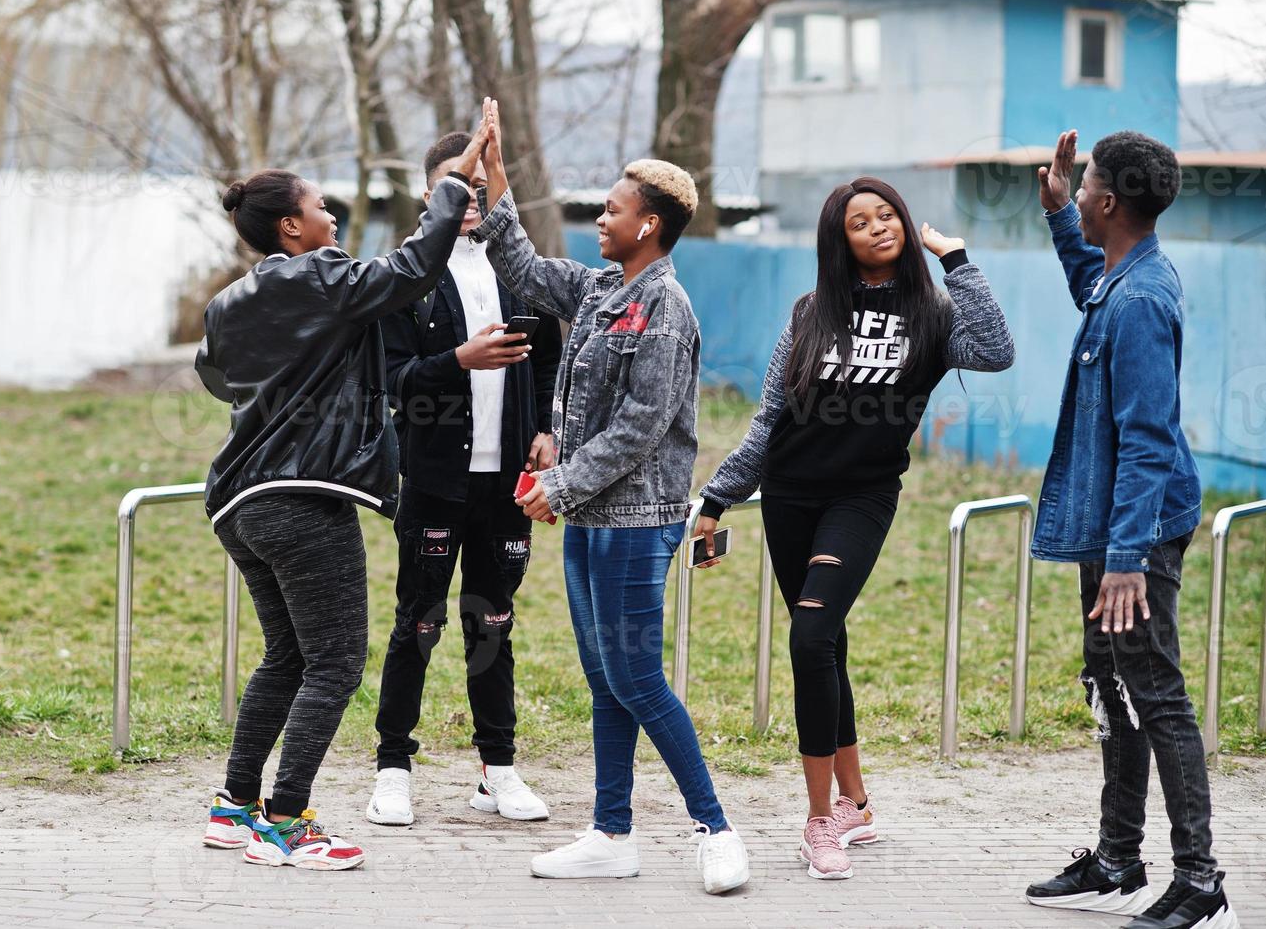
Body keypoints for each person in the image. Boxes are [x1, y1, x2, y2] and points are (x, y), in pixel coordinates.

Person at [192, 104, 494, 872]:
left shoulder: (230, 300)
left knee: (285, 658)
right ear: (291, 228)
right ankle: (285, 821)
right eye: (319, 205)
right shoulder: (320, 276)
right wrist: (455, 184)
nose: (331, 212)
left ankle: (233, 807)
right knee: (334, 663)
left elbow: (217, 378)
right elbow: (410, 269)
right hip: (300, 500)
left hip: (237, 502)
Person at [693, 177, 1015, 880]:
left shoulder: (931, 314)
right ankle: (856, 804)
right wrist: (716, 498)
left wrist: (957, 259)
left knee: (808, 636)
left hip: (861, 498)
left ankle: (817, 823)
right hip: (788, 494)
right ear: (838, 241)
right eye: (858, 221)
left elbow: (995, 350)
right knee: (826, 648)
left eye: (885, 214)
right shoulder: (811, 312)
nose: (876, 227)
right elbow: (769, 419)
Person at [469, 105, 748, 895]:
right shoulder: (599, 289)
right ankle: (610, 834)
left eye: (613, 210)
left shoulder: (665, 307)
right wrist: (494, 170)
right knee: (604, 679)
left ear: (649, 224)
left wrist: (557, 483)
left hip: (639, 520)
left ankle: (715, 829)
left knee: (636, 678)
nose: (600, 218)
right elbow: (521, 268)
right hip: (590, 518)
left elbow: (640, 425)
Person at [1023, 130, 1237, 929]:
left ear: (1108, 203)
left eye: (1080, 188)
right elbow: (1091, 285)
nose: (1073, 193)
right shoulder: (1122, 277)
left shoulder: (1143, 300)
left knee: (1155, 696)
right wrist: (1054, 219)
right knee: (1113, 690)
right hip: (1111, 523)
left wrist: (1126, 560)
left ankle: (1200, 878)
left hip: (1135, 532)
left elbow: (1147, 438)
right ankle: (1118, 858)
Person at [365, 130, 562, 826]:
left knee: (491, 625)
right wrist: (458, 359)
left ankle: (497, 769)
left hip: (504, 486)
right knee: (416, 624)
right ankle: (393, 769)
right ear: (430, 194)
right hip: (432, 481)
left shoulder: (517, 270)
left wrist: (545, 429)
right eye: (457, 182)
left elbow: (545, 361)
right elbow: (391, 383)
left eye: (481, 184)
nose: (471, 196)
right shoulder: (403, 278)